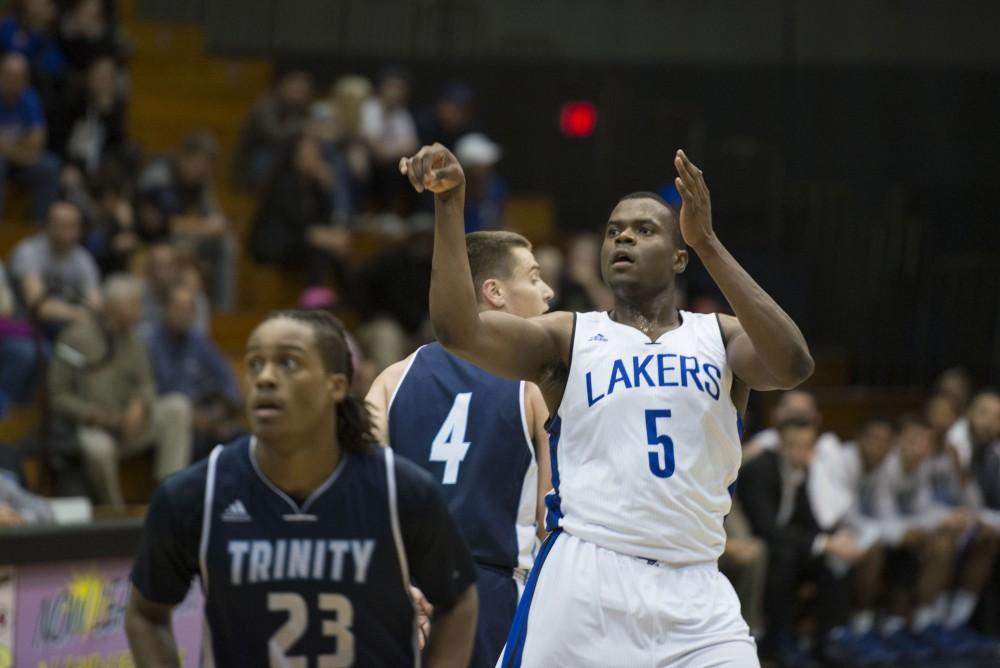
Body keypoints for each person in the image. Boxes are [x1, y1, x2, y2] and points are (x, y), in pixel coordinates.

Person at [400, 144, 814, 666]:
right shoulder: (570, 338)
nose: (624, 236)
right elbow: (459, 330)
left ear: (679, 255)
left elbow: (794, 363)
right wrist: (451, 204)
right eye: (615, 229)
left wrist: (708, 242)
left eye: (645, 230)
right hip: (585, 581)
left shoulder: (721, 336)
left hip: (695, 589)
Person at [125, 310, 479, 666]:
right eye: (254, 363)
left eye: (288, 363)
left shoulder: (401, 491)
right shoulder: (195, 493)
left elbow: (459, 602)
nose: (264, 378)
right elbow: (145, 614)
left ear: (336, 385)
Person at [366, 230, 554, 667]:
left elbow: (363, 500)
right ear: (495, 293)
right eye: (534, 277)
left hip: (405, 596)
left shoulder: (390, 380)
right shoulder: (536, 388)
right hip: (495, 598)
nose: (548, 292)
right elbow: (552, 521)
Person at [47, 273, 192, 507]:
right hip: (93, 426)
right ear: (116, 305)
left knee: (178, 406)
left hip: (129, 425)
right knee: (99, 449)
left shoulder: (135, 338)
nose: (140, 310)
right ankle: (116, 511)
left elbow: (147, 383)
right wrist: (93, 414)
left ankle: (170, 495)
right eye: (135, 304)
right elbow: (58, 394)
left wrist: (140, 404)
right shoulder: (75, 337)